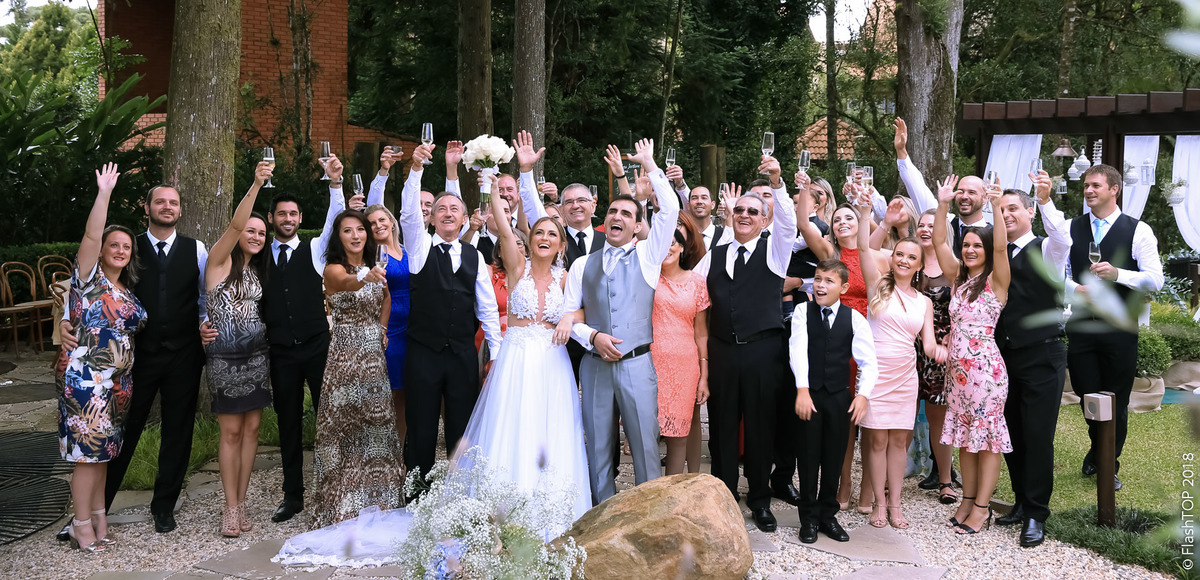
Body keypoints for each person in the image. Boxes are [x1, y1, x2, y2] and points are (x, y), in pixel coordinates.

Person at [58, 175, 216, 535]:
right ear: (147, 208)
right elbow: (89, 288)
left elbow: (203, 297)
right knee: (119, 433)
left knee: (178, 431)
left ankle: (164, 507)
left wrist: (206, 324)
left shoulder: (197, 249)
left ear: (180, 209)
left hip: (184, 354)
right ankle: (96, 510)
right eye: (160, 202)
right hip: (134, 360)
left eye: (173, 203)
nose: (167, 207)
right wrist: (67, 322)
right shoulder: (127, 247)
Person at [461, 172, 591, 526]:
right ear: (529, 241)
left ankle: (552, 513)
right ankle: (504, 514)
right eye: (538, 233)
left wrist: (569, 318)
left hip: (553, 363)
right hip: (516, 359)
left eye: (552, 234)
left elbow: (580, 308)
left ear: (561, 245)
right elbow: (504, 228)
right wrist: (490, 187)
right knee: (513, 427)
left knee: (552, 430)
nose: (545, 238)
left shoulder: (567, 278)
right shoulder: (517, 269)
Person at [563, 138, 680, 505]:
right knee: (597, 447)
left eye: (626, 215)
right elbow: (568, 317)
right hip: (595, 368)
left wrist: (650, 165)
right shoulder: (583, 265)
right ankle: (602, 519)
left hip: (637, 365)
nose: (617, 217)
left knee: (645, 445)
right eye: (613, 211)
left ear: (636, 227)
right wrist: (592, 336)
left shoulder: (648, 256)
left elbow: (671, 210)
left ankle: (649, 515)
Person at [689, 152, 796, 532]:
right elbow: (691, 291)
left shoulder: (776, 250)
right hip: (721, 351)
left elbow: (788, 222)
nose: (746, 216)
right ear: (731, 217)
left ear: (764, 219)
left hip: (763, 352)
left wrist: (778, 184)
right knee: (720, 426)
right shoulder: (713, 256)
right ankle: (723, 496)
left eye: (753, 211)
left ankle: (761, 500)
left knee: (760, 426)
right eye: (740, 212)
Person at [1041, 163, 1163, 492]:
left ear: (1114, 189)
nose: (1089, 191)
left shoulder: (1138, 231)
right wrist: (1074, 289)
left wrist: (1119, 275)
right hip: (1081, 327)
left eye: (1096, 185)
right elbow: (1055, 274)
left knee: (1117, 399)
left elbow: (1156, 279)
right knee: (1087, 395)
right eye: (1086, 186)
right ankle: (1098, 449)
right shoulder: (1070, 228)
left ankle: (1109, 462)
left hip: (1119, 329)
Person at [398, 144, 503, 485]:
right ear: (431, 217)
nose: (446, 213)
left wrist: (497, 353)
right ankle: (416, 492)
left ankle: (461, 493)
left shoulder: (474, 256)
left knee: (462, 426)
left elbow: (486, 308)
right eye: (440, 209)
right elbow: (409, 215)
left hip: (460, 354)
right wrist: (416, 170)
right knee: (422, 425)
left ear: (463, 218)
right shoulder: (419, 248)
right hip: (423, 352)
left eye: (454, 209)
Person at [57, 163, 147, 552]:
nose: (121, 250)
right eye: (115, 245)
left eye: (127, 246)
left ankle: (98, 519)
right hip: (86, 381)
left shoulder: (125, 290)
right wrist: (105, 192)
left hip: (118, 385)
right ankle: (79, 526)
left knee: (104, 453)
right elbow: (93, 233)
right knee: (87, 454)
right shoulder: (89, 279)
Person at [264, 155, 357, 524]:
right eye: (281, 214)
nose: (288, 219)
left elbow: (336, 220)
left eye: (293, 214)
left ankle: (335, 490)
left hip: (319, 348)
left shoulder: (316, 251)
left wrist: (335, 184)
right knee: (287, 423)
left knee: (329, 419)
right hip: (281, 352)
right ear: (272, 218)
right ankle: (293, 496)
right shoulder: (258, 256)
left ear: (301, 219)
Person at [854, 197, 947, 530]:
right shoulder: (878, 286)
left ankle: (895, 504)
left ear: (919, 264)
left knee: (897, 442)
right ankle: (878, 503)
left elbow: (931, 343)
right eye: (900, 255)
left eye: (912, 257)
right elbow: (863, 249)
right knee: (876, 441)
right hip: (876, 374)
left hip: (906, 377)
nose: (905, 260)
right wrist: (867, 215)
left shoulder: (923, 301)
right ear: (891, 259)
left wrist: (945, 352)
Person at [990, 176, 1071, 548]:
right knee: (1013, 434)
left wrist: (1046, 200)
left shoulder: (1048, 250)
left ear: (1029, 213)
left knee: (1038, 435)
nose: (1006, 215)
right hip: (1004, 356)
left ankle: (1038, 513)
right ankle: (1022, 501)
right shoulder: (998, 254)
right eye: (1001, 209)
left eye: (1013, 209)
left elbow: (1063, 238)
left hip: (1042, 353)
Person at [312, 209, 403, 527]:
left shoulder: (375, 264)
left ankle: (380, 503)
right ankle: (342, 507)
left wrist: (381, 327)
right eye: (347, 230)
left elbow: (387, 297)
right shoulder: (333, 269)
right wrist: (366, 275)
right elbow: (348, 284)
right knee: (346, 431)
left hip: (373, 357)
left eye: (360, 229)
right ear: (339, 237)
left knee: (375, 431)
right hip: (345, 359)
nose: (355, 235)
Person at [932, 174, 1012, 535]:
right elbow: (937, 241)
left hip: (987, 375)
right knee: (965, 438)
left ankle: (982, 508)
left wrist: (995, 204)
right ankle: (966, 501)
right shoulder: (957, 280)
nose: (970, 250)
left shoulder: (996, 281)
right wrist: (943, 204)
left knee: (988, 440)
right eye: (967, 245)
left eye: (977, 245)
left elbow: (999, 249)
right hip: (957, 376)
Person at [796, 190, 879, 512]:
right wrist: (803, 187)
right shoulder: (830, 254)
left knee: (859, 420)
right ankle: (841, 484)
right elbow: (804, 224)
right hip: (828, 338)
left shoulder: (874, 253)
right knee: (834, 422)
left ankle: (866, 490)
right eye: (837, 218)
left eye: (850, 217)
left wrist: (867, 208)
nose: (843, 222)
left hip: (862, 332)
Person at [204, 162, 275, 537]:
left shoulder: (257, 271)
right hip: (224, 362)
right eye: (252, 230)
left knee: (252, 432)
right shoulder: (220, 262)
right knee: (231, 433)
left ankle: (242, 503)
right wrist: (256, 185)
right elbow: (234, 226)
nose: (257, 235)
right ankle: (229, 509)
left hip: (257, 360)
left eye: (262, 233)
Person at [789, 259, 878, 544]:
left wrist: (863, 395)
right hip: (810, 394)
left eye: (828, 281)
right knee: (807, 456)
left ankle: (828, 515)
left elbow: (869, 361)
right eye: (817, 279)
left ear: (844, 287)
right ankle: (808, 517)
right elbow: (798, 351)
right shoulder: (803, 311)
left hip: (839, 397)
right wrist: (802, 390)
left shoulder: (855, 319)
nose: (820, 285)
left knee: (833, 457)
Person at [650, 213, 711, 475]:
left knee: (679, 432)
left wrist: (704, 376)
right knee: (649, 430)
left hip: (685, 365)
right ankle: (648, 492)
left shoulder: (697, 282)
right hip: (650, 362)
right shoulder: (648, 279)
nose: (668, 248)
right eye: (662, 243)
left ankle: (675, 493)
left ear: (682, 246)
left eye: (673, 243)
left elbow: (701, 333)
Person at [894, 117, 991, 257]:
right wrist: (901, 151)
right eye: (961, 191)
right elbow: (917, 187)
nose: (964, 197)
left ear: (985, 198)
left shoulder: (993, 233)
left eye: (972, 192)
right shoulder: (943, 221)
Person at [366, 203, 411, 446]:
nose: (378, 225)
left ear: (392, 222)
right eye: (372, 223)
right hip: (390, 328)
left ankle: (402, 451)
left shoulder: (408, 250)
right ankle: (384, 451)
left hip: (413, 327)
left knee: (406, 395)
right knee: (390, 393)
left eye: (382, 220)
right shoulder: (373, 255)